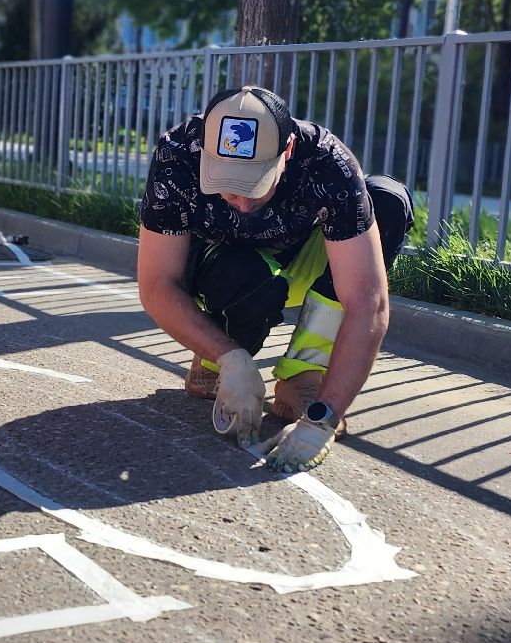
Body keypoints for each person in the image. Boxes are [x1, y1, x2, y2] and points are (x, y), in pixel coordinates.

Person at [136, 85, 414, 472]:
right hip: (221, 269)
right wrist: (229, 356)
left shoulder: (327, 161)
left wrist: (324, 417)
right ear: (205, 151)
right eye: (228, 183)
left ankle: (304, 372)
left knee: (387, 201)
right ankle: (217, 363)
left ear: (287, 149)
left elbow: (367, 300)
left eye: (256, 180)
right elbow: (156, 285)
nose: (244, 202)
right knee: (243, 269)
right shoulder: (179, 153)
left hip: (299, 263)